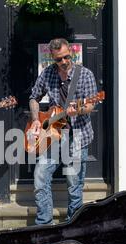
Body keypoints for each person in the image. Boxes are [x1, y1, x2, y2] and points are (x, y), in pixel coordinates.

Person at [29, 38, 98, 225]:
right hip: (52, 136)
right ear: (52, 58)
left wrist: (80, 109)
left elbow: (91, 104)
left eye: (67, 56)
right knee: (40, 178)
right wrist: (36, 119)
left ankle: (73, 225)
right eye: (59, 59)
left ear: (71, 53)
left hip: (77, 136)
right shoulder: (47, 74)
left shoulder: (85, 75)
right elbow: (34, 97)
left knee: (74, 185)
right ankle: (44, 224)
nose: (65, 61)